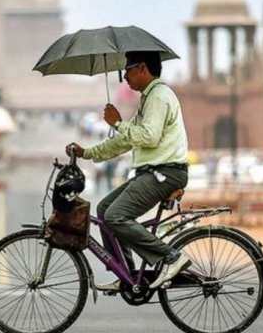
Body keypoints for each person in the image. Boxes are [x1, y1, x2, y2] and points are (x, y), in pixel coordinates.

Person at [66, 50, 191, 291]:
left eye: (128, 69)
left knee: (116, 216)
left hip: (165, 173)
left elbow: (149, 137)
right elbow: (125, 141)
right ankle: (126, 273)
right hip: (153, 173)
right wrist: (87, 153)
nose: (124, 76)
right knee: (104, 211)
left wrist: (117, 123)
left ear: (143, 68)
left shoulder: (159, 96)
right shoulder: (148, 98)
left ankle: (171, 257)